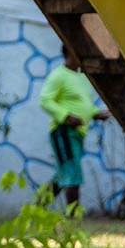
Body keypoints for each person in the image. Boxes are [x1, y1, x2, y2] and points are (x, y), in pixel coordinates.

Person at [38, 45, 106, 208]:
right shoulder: (59, 75)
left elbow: (83, 104)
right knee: (73, 173)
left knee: (63, 175)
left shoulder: (82, 78)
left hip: (78, 133)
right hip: (63, 131)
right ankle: (73, 217)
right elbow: (45, 100)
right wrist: (66, 116)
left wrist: (97, 113)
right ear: (70, 53)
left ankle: (37, 209)